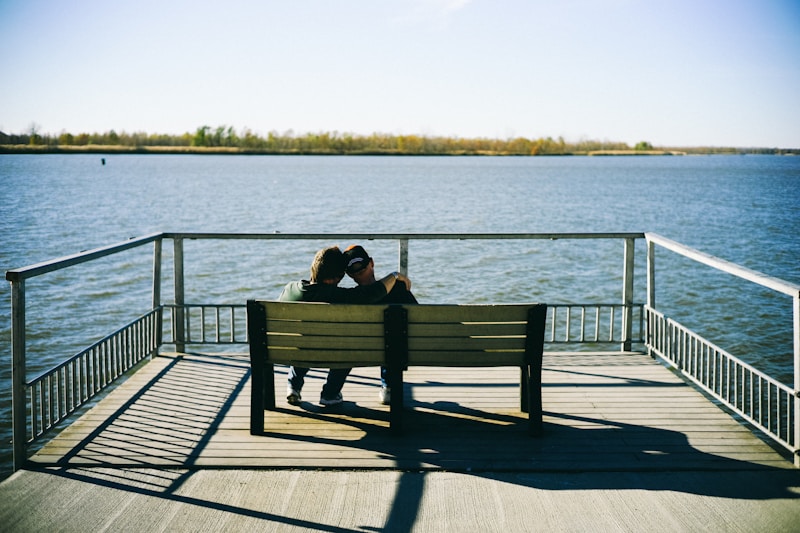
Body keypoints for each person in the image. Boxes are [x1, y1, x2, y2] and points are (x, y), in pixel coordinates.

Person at [278, 245, 412, 406]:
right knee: (347, 349)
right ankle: (330, 393)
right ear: (337, 277)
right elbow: (369, 295)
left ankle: (293, 386)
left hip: (289, 352)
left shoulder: (290, 289)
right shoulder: (338, 295)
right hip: (340, 355)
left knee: (304, 341)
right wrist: (395, 275)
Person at [343, 244, 417, 405]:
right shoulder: (398, 288)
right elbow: (419, 318)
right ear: (372, 263)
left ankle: (330, 391)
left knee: (352, 344)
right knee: (392, 340)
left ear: (349, 275)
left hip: (361, 351)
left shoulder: (350, 297)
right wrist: (395, 276)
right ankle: (388, 386)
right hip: (407, 350)